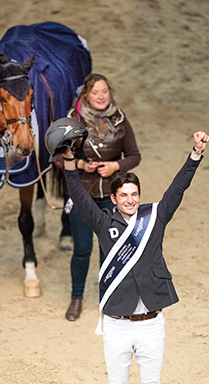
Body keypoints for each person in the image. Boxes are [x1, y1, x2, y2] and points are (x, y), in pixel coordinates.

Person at [44, 120, 209, 384]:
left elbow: (177, 190)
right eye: (124, 197)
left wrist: (195, 155)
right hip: (117, 324)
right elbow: (78, 195)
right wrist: (70, 163)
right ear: (115, 200)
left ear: (139, 195)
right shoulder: (104, 223)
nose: (131, 200)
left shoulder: (155, 217)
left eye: (135, 195)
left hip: (151, 322)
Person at [62, 73, 141, 321]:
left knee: (109, 251)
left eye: (104, 91)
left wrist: (115, 166)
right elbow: (56, 157)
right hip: (83, 197)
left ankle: (107, 298)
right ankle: (76, 298)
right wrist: (80, 165)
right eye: (95, 92)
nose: (100, 97)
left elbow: (134, 155)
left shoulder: (119, 120)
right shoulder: (72, 121)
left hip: (110, 197)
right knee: (82, 250)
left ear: (110, 93)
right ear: (86, 95)